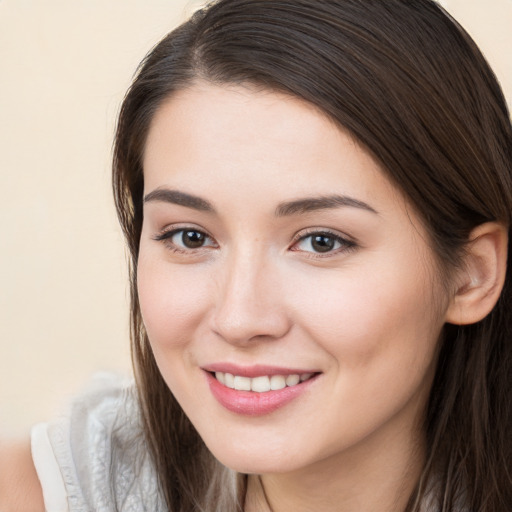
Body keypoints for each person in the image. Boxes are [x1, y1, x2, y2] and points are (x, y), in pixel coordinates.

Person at [1, 0, 511, 510]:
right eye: (190, 237)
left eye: (321, 241)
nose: (239, 319)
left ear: (472, 275)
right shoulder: (43, 492)